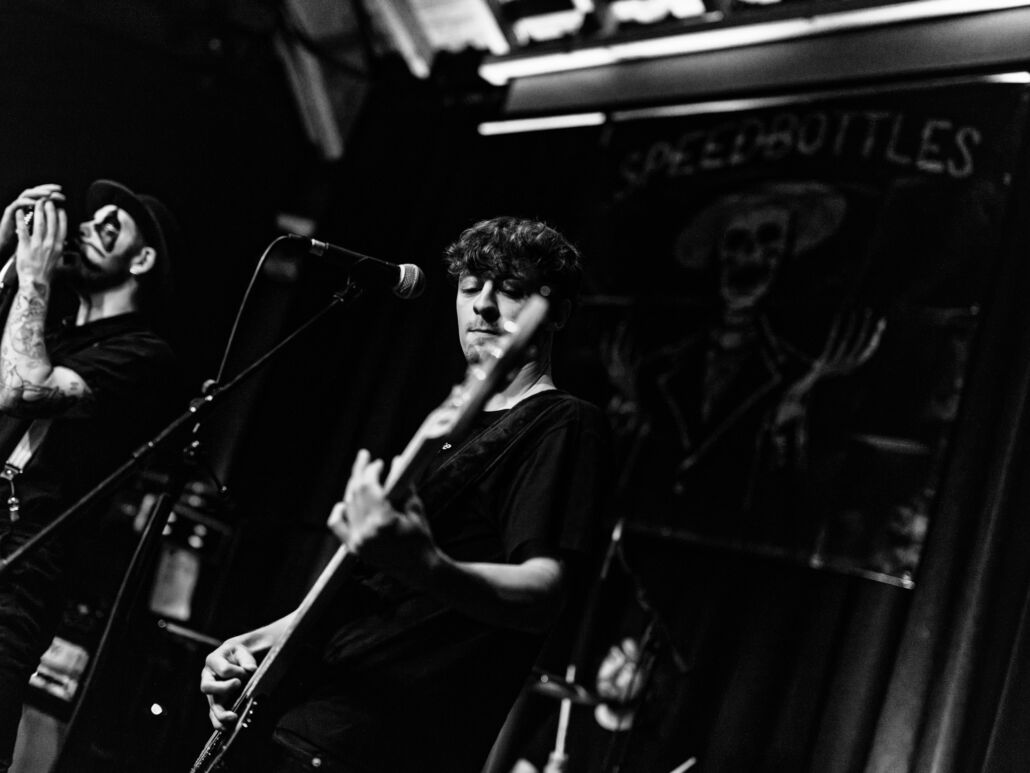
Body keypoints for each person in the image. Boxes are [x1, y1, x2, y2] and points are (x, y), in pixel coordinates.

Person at [201, 216, 611, 772]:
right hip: (302, 718)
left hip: (381, 747)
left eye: (511, 289)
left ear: (556, 313)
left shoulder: (563, 422)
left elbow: (544, 595)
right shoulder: (447, 430)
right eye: (471, 288)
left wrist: (426, 564)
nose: (483, 306)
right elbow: (374, 593)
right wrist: (256, 644)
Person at [0, 180, 178, 771]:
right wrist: (9, 267)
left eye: (109, 226)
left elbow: (25, 389)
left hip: (18, 574)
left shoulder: (143, 355)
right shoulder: (50, 332)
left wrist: (35, 279)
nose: (82, 228)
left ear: (142, 259)